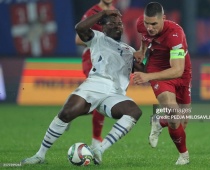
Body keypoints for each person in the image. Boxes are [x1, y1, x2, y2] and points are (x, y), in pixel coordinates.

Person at [22, 9, 142, 165]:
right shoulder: (97, 38)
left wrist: (145, 54)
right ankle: (40, 155)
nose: (117, 26)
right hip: (94, 85)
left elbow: (146, 70)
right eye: (112, 23)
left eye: (119, 24)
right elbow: (79, 28)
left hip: (114, 95)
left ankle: (99, 149)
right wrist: (103, 12)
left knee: (134, 111)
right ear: (103, 27)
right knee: (66, 113)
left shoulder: (130, 51)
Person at [133, 2, 192, 165]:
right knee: (173, 112)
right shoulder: (141, 24)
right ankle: (184, 156)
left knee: (181, 121)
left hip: (180, 71)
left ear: (163, 19)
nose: (149, 28)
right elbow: (145, 38)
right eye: (147, 23)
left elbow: (177, 70)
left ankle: (159, 121)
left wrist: (147, 77)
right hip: (157, 68)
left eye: (154, 24)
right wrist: (142, 52)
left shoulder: (175, 34)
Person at [74, 0, 116, 149]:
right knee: (102, 96)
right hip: (91, 60)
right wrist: (98, 41)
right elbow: (79, 39)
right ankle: (96, 139)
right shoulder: (92, 13)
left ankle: (68, 114)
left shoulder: (115, 12)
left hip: (107, 61)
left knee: (99, 100)